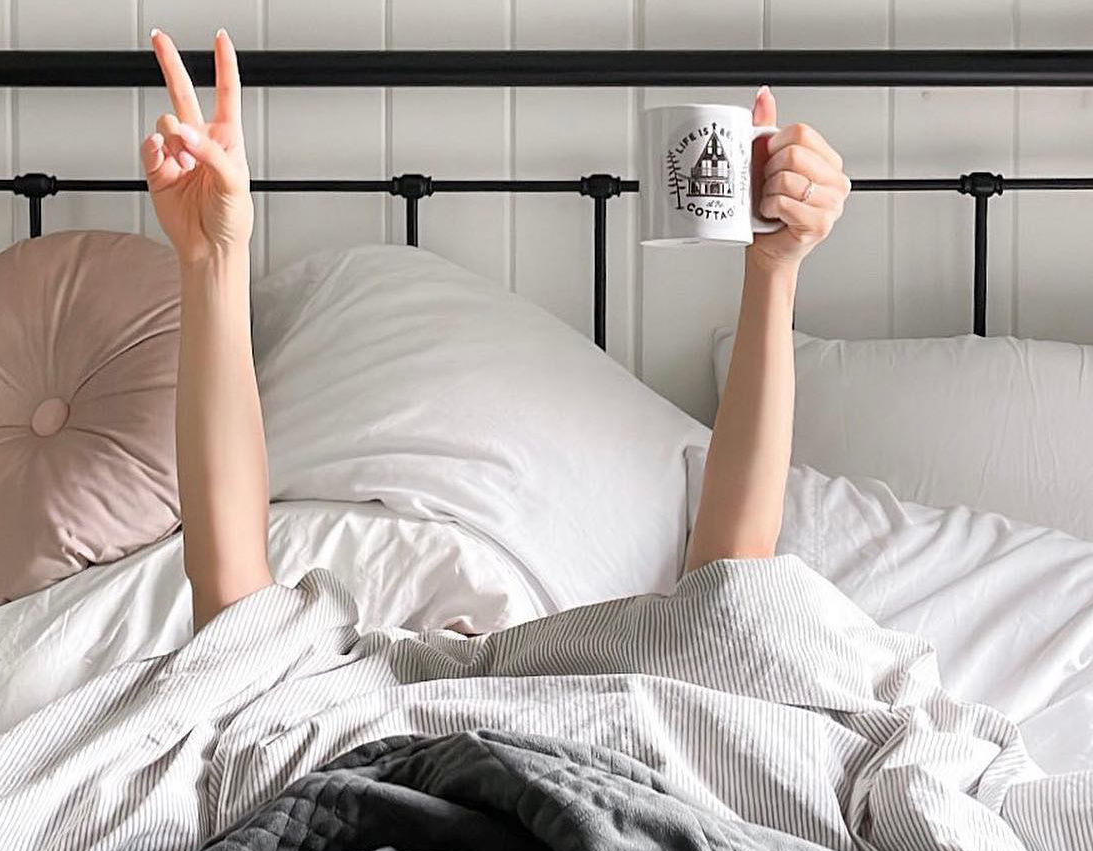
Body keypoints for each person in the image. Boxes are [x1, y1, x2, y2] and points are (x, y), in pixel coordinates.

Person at [141, 27, 851, 629]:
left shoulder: (631, 682)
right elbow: (233, 615)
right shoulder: (347, 680)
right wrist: (212, 258)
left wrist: (775, 270)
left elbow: (729, 603)